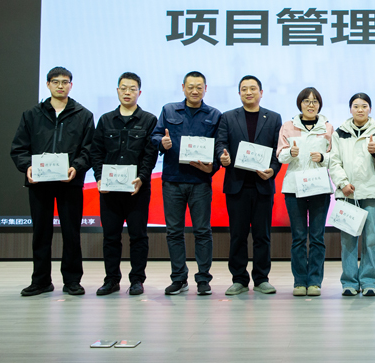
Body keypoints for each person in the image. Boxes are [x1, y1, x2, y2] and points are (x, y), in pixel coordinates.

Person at [10, 66, 95, 296]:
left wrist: (76, 167)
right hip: (40, 183)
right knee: (41, 232)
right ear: (47, 84)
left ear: (71, 85)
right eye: (55, 81)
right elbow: (19, 148)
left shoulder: (84, 115)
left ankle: (72, 281)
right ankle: (41, 281)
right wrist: (27, 167)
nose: (60, 86)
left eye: (65, 82)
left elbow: (89, 149)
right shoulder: (32, 115)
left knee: (71, 233)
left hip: (70, 183)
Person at [150, 71, 221, 296]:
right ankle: (179, 278)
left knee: (202, 231)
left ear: (205, 89)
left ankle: (203, 279)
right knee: (174, 232)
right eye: (190, 86)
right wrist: (161, 142)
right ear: (183, 88)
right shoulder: (169, 110)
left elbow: (219, 146)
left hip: (200, 182)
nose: (194, 91)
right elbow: (155, 136)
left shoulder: (214, 115)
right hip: (173, 180)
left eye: (199, 87)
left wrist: (214, 166)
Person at [90, 72, 158, 296]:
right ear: (117, 90)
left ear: (139, 92)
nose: (127, 92)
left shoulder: (149, 120)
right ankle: (111, 280)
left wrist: (143, 177)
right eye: (123, 88)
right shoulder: (106, 120)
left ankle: (137, 280)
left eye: (132, 89)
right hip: (109, 190)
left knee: (138, 236)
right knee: (111, 237)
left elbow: (150, 154)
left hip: (137, 189)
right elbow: (96, 152)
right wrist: (99, 177)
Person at [217, 76, 282, 296]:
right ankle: (239, 279)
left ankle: (262, 278)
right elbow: (221, 143)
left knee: (262, 236)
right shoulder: (228, 117)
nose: (248, 92)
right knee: (238, 235)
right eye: (244, 89)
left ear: (261, 92)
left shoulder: (273, 118)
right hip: (237, 185)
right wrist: (222, 157)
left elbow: (278, 149)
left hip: (263, 185)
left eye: (253, 88)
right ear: (239, 93)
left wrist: (273, 169)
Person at [328, 93, 375, 296]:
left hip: (371, 192)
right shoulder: (339, 133)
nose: (360, 109)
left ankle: (370, 282)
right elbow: (334, 162)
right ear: (350, 109)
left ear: (370, 109)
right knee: (348, 241)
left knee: (371, 240)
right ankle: (349, 282)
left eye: (364, 106)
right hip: (347, 193)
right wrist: (343, 183)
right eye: (356, 106)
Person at [276, 87, 333, 297]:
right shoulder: (288, 126)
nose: (311, 105)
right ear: (300, 104)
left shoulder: (327, 127)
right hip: (294, 187)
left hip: (319, 187)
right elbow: (280, 155)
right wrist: (289, 153)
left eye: (315, 101)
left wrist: (323, 158)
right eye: (306, 101)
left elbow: (335, 156)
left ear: (320, 104)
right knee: (299, 237)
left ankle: (315, 282)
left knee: (317, 238)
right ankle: (300, 281)